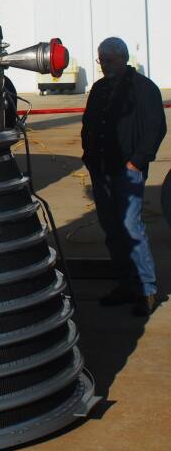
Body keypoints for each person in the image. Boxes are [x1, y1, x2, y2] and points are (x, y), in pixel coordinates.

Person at [81, 37, 167, 317]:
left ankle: (146, 289)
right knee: (112, 230)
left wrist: (136, 162)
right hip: (101, 170)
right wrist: (89, 157)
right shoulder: (99, 89)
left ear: (123, 58)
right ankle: (126, 284)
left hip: (127, 172)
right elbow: (89, 124)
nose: (104, 65)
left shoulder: (143, 88)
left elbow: (155, 127)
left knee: (131, 228)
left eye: (108, 60)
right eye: (101, 60)